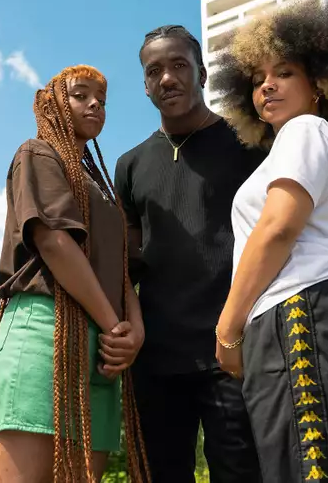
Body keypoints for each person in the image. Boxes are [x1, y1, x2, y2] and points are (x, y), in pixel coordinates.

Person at [210, 0, 328, 482]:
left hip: (300, 308)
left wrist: (228, 330)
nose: (267, 85)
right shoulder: (305, 141)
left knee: (310, 470)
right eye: (258, 78)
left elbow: (278, 227)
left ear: (320, 85)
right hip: (308, 311)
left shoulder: (306, 130)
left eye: (284, 72)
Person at [0, 65, 150, 483]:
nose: (95, 103)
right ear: (51, 105)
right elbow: (54, 243)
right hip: (44, 336)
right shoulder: (38, 152)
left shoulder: (100, 186)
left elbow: (119, 269)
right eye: (81, 95)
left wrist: (133, 332)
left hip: (102, 351)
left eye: (101, 97)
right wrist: (115, 325)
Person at [114, 25, 265, 482]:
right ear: (144, 85)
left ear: (200, 73)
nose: (167, 78)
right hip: (155, 360)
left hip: (232, 350)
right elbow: (127, 261)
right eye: (154, 70)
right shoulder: (130, 165)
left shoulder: (250, 143)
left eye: (178, 65)